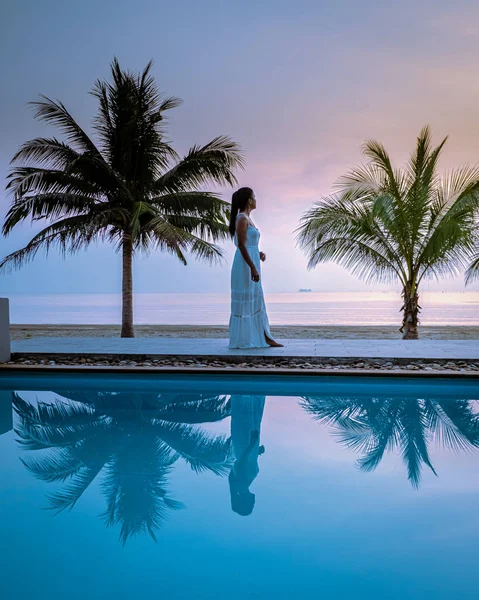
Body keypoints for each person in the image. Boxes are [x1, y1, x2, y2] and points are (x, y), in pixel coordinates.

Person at [228, 187, 283, 349]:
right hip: (244, 265)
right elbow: (241, 245)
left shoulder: (247, 219)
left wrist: (258, 253)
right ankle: (252, 338)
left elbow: (248, 244)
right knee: (247, 301)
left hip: (251, 260)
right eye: (254, 197)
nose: (256, 200)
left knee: (256, 299)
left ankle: (264, 336)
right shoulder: (242, 219)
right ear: (249, 201)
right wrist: (252, 267)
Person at [228, 395, 266, 516]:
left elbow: (242, 463)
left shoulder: (241, 485)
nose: (254, 503)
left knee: (247, 418)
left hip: (245, 444)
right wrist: (256, 452)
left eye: (252, 505)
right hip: (244, 447)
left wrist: (252, 444)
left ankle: (247, 392)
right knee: (244, 419)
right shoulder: (239, 486)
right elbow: (243, 464)